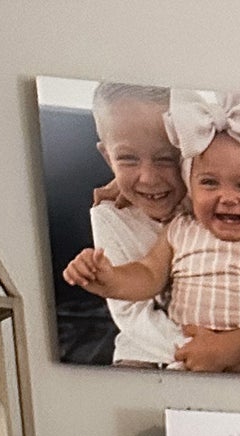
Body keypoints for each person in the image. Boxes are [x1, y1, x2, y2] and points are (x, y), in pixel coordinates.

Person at [63, 92, 240, 381]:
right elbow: (148, 275)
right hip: (178, 360)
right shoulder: (180, 230)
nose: (227, 197)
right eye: (210, 183)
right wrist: (110, 278)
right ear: (193, 186)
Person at [79, 82, 188, 371]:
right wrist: (193, 349)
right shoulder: (110, 216)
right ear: (107, 157)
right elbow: (131, 314)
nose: (148, 178)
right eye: (128, 159)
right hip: (147, 347)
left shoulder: (213, 199)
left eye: (166, 158)